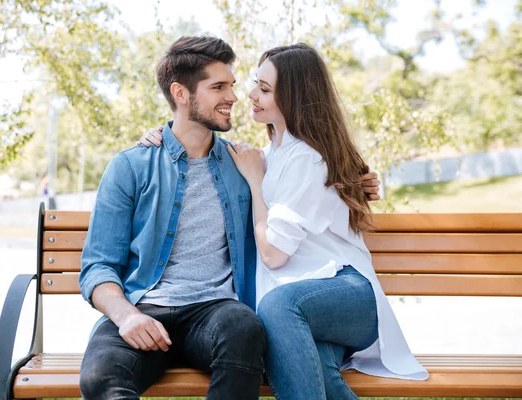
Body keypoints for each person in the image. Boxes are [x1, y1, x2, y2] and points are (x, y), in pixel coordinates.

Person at [81, 36, 381, 400]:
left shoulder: (246, 165)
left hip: (217, 312)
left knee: (244, 331)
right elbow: (98, 266)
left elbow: (313, 176)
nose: (235, 97)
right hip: (143, 306)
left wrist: (360, 181)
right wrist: (126, 316)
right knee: (100, 377)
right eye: (218, 87)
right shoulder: (131, 166)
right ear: (181, 93)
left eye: (234, 86)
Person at [138, 43, 427, 399]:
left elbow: (274, 254)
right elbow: (190, 141)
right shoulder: (274, 152)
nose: (250, 95)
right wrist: (156, 137)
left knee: (277, 307)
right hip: (306, 305)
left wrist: (257, 185)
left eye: (264, 88)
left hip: (343, 295)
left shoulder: (305, 157)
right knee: (321, 375)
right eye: (255, 83)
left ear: (294, 97)